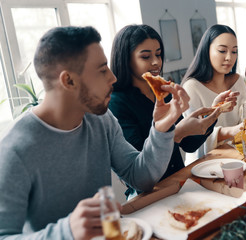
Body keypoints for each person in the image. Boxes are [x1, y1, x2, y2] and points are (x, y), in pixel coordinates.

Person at [0, 26, 190, 239]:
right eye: (102, 70)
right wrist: (67, 232)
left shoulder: (101, 120)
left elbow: (140, 178)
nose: (113, 78)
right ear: (69, 81)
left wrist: (161, 128)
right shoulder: (14, 150)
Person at [108, 24, 238, 198]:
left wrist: (214, 110)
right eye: (146, 56)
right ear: (125, 59)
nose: (156, 62)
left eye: (159, 54)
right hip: (147, 194)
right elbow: (140, 163)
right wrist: (179, 131)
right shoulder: (116, 103)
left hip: (178, 182)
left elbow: (189, 144)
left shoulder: (164, 92)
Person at [181, 24, 246, 165]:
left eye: (234, 52)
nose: (229, 57)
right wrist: (230, 131)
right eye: (222, 51)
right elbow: (193, 139)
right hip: (203, 164)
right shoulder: (191, 87)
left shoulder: (237, 80)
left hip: (237, 157)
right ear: (206, 50)